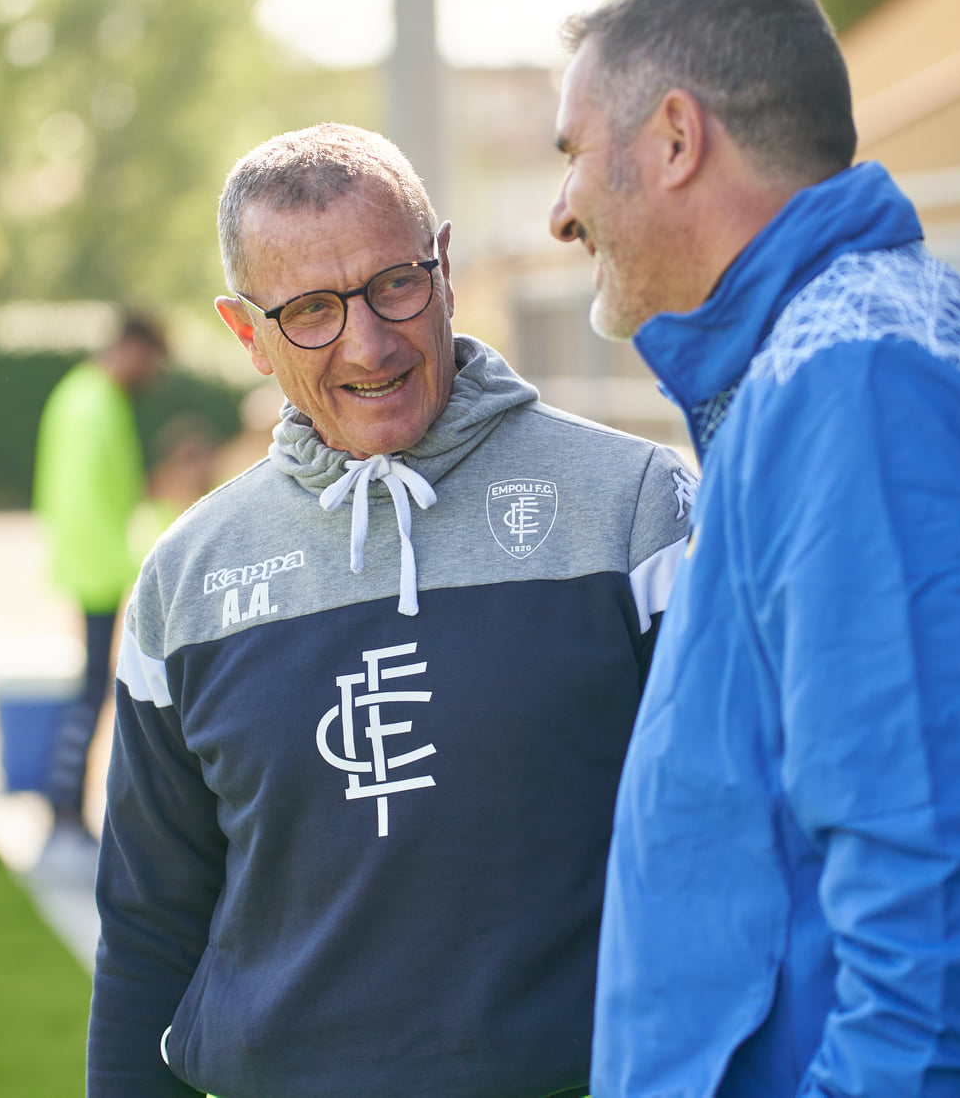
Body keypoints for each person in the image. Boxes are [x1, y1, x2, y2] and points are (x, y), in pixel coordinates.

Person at [550, 0, 960, 1096]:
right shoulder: (830, 356)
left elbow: (950, 904)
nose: (561, 206)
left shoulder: (866, 382)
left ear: (674, 139)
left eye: (572, 151)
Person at [89, 123, 694, 1098]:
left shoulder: (634, 510)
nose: (368, 342)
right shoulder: (184, 583)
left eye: (394, 286)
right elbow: (150, 925)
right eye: (313, 311)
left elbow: (732, 860)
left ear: (444, 267)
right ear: (247, 334)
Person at [32, 313, 167, 874]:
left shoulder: (80, 394)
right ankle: (63, 820)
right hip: (98, 570)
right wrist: (133, 566)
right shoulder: (96, 404)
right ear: (132, 348)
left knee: (91, 692)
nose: (154, 375)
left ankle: (66, 818)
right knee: (92, 694)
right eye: (153, 361)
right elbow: (89, 501)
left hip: (90, 565)